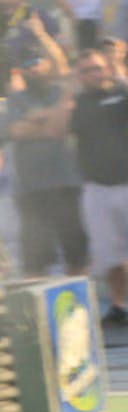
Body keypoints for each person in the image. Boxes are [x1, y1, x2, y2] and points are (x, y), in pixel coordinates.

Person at [7, 38, 89, 277]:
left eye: (37, 61)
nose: (34, 68)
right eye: (28, 64)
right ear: (21, 70)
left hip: (67, 184)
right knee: (34, 260)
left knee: (76, 254)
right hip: (31, 189)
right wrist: (55, 115)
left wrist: (36, 118)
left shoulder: (61, 92)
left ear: (47, 64)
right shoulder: (15, 98)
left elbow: (60, 130)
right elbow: (16, 130)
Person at [68, 48, 128, 325]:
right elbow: (58, 129)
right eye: (86, 70)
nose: (94, 74)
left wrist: (119, 72)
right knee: (109, 255)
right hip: (97, 188)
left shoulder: (122, 95)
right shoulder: (79, 104)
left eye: (97, 68)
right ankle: (119, 305)